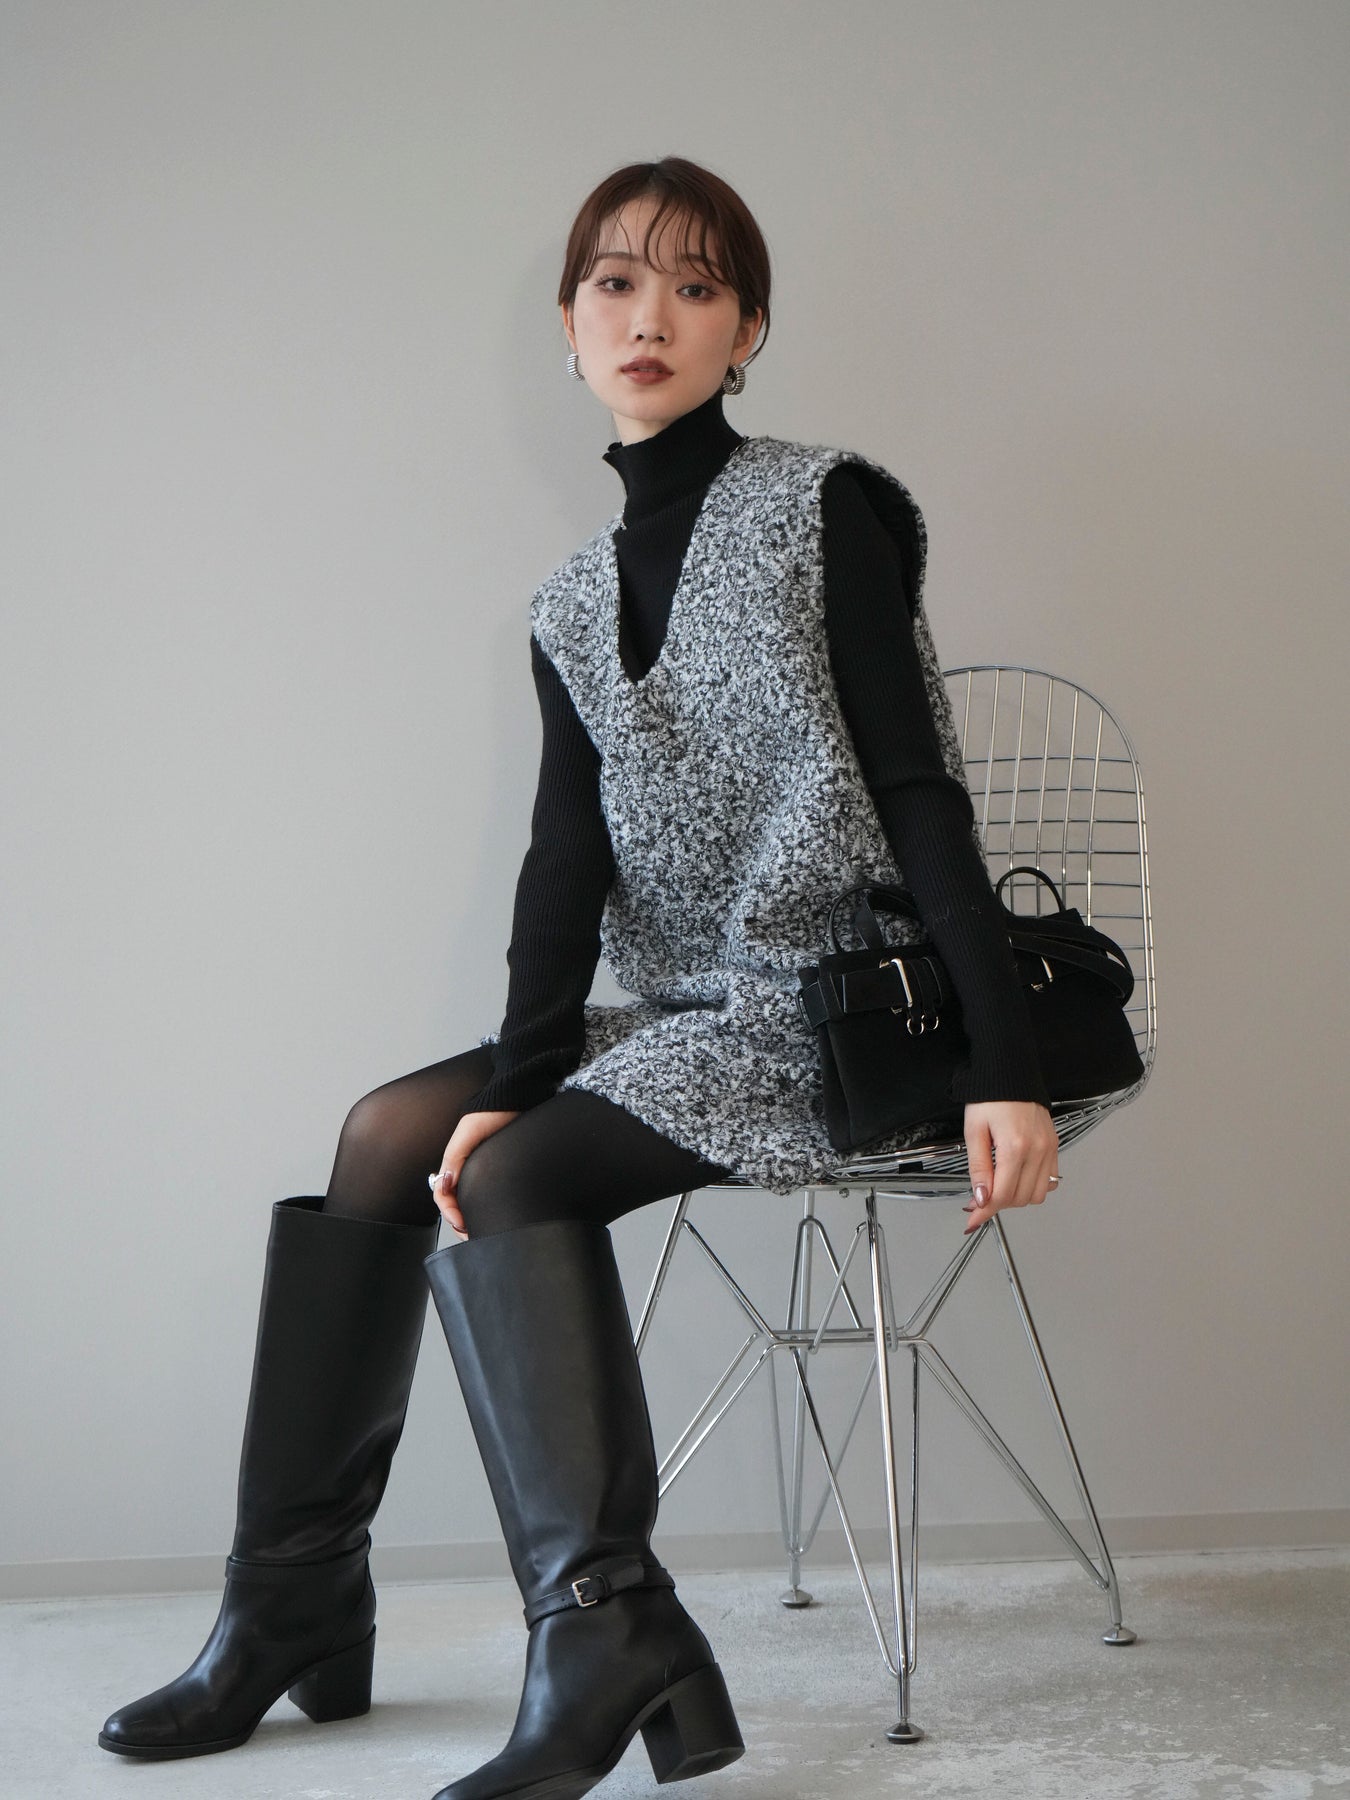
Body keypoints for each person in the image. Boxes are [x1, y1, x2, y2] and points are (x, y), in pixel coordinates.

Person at [98, 156, 1060, 1799]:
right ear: (567, 323)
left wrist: (1002, 1061)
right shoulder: (563, 603)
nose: (648, 316)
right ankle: (289, 1602)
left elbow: (917, 791)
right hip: (680, 1010)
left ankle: (604, 1625)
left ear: (746, 330)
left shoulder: (821, 507)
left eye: (695, 286)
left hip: (831, 1006)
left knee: (514, 1177)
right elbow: (566, 867)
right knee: (389, 1135)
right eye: (615, 282)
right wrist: (514, 1071)